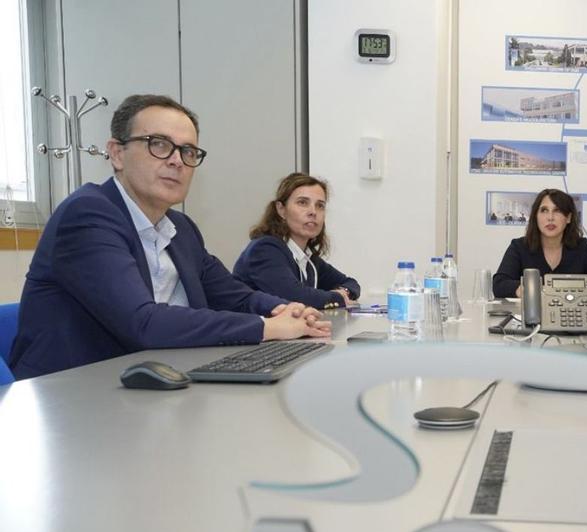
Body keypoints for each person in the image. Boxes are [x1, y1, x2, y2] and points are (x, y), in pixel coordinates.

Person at [9, 94, 329, 380]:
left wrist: (285, 310)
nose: (177, 160)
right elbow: (143, 323)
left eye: (188, 150)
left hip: (150, 384)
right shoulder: (87, 215)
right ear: (117, 153)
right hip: (68, 397)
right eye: (158, 144)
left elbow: (235, 294)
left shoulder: (181, 228)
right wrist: (266, 328)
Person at [233, 172, 360, 309]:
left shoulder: (306, 257)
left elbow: (351, 284)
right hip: (252, 329)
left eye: (320, 205)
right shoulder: (264, 249)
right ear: (281, 210)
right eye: (303, 203)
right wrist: (337, 297)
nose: (313, 212)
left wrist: (344, 292)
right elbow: (295, 297)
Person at [492, 188, 587, 298]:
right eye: (544, 210)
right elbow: (499, 285)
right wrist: (527, 290)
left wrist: (572, 295)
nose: (550, 217)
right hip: (528, 317)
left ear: (568, 218)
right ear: (536, 216)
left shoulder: (581, 249)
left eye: (557, 211)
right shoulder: (519, 247)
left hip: (570, 317)